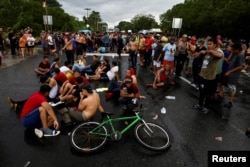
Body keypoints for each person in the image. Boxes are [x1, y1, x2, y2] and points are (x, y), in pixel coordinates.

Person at [192, 38, 223, 114]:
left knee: (208, 93)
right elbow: (195, 57)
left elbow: (220, 55)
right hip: (202, 75)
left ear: (215, 45)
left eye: (210, 44)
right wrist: (200, 53)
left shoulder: (216, 52)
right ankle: (200, 104)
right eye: (207, 44)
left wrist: (209, 51)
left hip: (210, 77)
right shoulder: (205, 53)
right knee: (201, 91)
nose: (208, 45)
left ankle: (206, 107)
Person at [221, 43, 245, 108]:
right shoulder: (235, 53)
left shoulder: (240, 55)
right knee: (225, 84)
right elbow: (228, 60)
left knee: (232, 87)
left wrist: (230, 72)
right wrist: (232, 53)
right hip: (229, 72)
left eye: (233, 50)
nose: (232, 51)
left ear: (238, 49)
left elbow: (240, 66)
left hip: (234, 74)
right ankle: (222, 96)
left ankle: (230, 102)